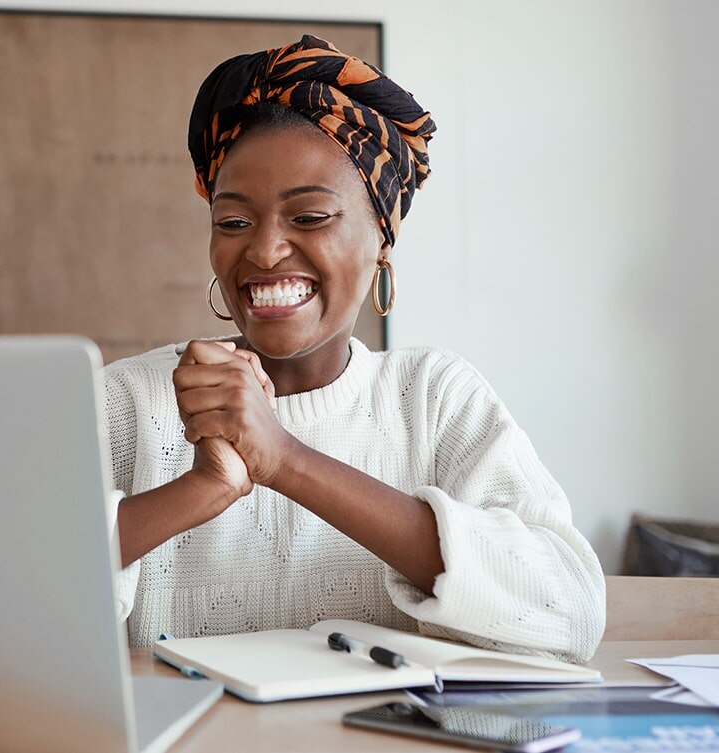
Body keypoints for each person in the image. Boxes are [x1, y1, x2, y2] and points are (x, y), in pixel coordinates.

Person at [105, 35, 605, 662]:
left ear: (381, 241)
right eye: (233, 222)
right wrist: (203, 488)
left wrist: (284, 459)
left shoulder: (434, 397)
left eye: (309, 217)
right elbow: (1, 594)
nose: (263, 251)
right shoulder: (127, 401)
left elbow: (570, 613)